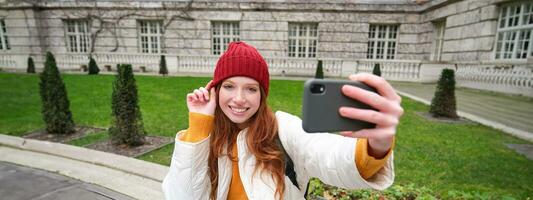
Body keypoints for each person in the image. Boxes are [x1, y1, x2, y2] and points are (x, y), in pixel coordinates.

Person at [162, 41, 403, 200]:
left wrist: (375, 146)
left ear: (262, 94)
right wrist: (199, 123)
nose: (238, 99)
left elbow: (325, 154)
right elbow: (181, 195)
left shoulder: (283, 129)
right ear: (216, 90)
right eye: (229, 86)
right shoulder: (203, 137)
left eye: (251, 89)